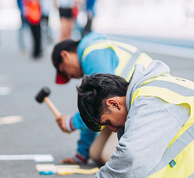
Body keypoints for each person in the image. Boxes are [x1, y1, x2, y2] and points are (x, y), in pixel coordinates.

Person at [51, 32, 152, 165]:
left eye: (64, 71)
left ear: (65, 55)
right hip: (127, 105)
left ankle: (153, 148)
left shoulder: (94, 54)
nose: (70, 77)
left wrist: (73, 122)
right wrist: (82, 153)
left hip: (145, 104)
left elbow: (101, 102)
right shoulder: (92, 51)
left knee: (108, 157)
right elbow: (95, 112)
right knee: (96, 154)